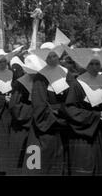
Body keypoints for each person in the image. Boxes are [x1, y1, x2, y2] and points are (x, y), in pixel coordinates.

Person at [23, 44, 72, 175]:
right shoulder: (41, 77)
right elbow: (39, 103)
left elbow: (73, 98)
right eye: (48, 57)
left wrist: (66, 112)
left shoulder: (66, 73)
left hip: (63, 123)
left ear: (58, 56)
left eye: (54, 56)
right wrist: (57, 114)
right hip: (47, 125)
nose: (52, 59)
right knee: (43, 160)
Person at [64, 49, 102, 175]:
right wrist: (95, 116)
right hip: (83, 132)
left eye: (97, 64)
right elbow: (70, 108)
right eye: (91, 64)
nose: (95, 67)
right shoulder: (77, 83)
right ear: (86, 65)